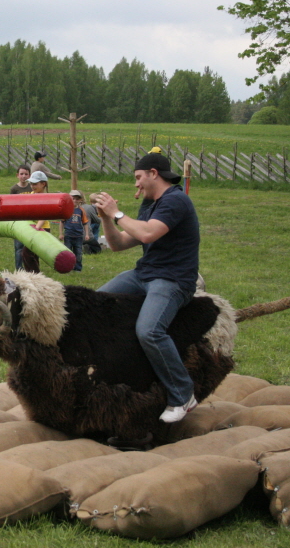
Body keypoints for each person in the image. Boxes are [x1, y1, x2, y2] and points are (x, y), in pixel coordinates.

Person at [94, 153, 200, 424]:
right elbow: (118, 244)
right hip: (144, 274)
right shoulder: (149, 205)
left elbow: (148, 234)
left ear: (154, 173)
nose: (136, 185)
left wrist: (116, 212)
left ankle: (182, 393)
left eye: (138, 178)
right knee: (95, 304)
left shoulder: (176, 200)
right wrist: (105, 218)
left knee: (149, 331)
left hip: (173, 279)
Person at [20, 170, 52, 274]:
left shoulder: (46, 197)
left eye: (35, 184)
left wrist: (37, 228)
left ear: (43, 184)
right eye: (31, 183)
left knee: (27, 253)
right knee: (32, 254)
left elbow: (45, 214)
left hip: (42, 228)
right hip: (32, 227)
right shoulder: (31, 194)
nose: (32, 186)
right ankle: (35, 275)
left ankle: (34, 276)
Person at [59, 189, 91, 272]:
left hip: (78, 235)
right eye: (73, 199)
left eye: (77, 199)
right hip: (68, 235)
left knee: (78, 252)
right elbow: (62, 222)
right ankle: (68, 268)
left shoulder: (81, 210)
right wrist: (61, 233)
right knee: (68, 252)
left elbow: (85, 223)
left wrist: (87, 234)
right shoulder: (66, 210)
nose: (75, 201)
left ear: (80, 200)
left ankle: (78, 268)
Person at [10, 165, 32, 269]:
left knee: (29, 246)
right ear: (17, 175)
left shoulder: (31, 187)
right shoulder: (14, 189)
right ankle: (19, 268)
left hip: (30, 220)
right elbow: (10, 205)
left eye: (26, 174)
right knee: (19, 247)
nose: (24, 176)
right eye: (21, 174)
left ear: (30, 175)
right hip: (18, 220)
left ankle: (30, 267)